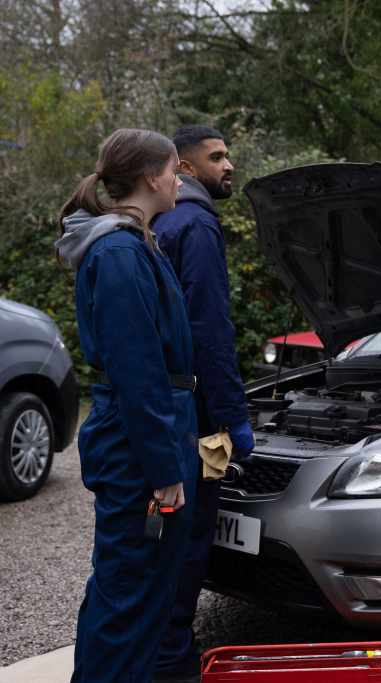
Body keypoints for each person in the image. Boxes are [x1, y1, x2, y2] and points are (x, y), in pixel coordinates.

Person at [56, 128, 198, 683]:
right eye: (173, 169)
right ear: (149, 178)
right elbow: (139, 372)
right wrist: (164, 469)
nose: (179, 177)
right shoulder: (118, 254)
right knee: (128, 599)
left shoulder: (134, 243)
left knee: (142, 595)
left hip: (153, 434)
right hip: (139, 450)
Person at [151, 125, 254, 682]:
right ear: (185, 170)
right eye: (216, 157)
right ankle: (174, 661)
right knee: (192, 535)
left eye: (228, 154)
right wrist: (234, 419)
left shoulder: (157, 220)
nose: (229, 164)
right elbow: (211, 333)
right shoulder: (197, 223)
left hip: (167, 409)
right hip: (204, 420)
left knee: (163, 535)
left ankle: (154, 649)